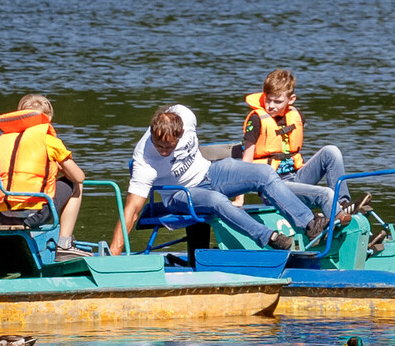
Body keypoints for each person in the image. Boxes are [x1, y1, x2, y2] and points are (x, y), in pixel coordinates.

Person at [108, 105, 343, 255]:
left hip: (210, 172)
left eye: (168, 146)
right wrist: (114, 254)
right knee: (217, 201)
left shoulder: (186, 117)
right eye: (158, 145)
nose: (162, 150)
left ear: (180, 134)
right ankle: (270, 238)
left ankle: (310, 225)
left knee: (265, 174)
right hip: (179, 194)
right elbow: (131, 211)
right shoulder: (145, 159)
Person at [0, 93, 85, 255]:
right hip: (34, 215)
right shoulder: (49, 142)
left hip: (2, 214)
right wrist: (59, 167)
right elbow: (79, 176)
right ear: (49, 118)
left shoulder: (1, 141)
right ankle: (64, 244)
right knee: (76, 185)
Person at [241, 68, 347, 213]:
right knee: (327, 194)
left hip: (296, 178)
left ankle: (344, 205)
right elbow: (246, 161)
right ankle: (336, 222)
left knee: (331, 151)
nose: (271, 106)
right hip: (272, 186)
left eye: (277, 101)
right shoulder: (256, 120)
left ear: (291, 99)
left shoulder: (296, 116)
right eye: (268, 100)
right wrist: (240, 198)